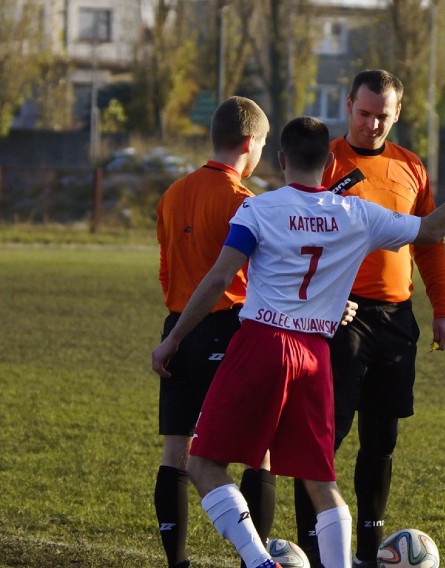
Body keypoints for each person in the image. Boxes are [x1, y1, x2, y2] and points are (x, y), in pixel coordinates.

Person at [151, 116, 445, 568]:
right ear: (328, 165)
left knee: (203, 464)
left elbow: (220, 277)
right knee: (319, 479)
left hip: (263, 342)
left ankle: (260, 561)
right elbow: (432, 230)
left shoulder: (259, 209)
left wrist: (175, 339)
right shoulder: (357, 214)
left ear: (281, 160)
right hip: (317, 353)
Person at [293, 69, 445, 568]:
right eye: (364, 113)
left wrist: (443, 307)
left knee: (381, 441)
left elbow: (428, 243)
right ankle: (316, 551)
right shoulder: (325, 164)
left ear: (398, 113)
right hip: (338, 320)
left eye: (382, 115)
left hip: (396, 321)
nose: (372, 124)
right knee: (327, 440)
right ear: (348, 106)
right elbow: (299, 236)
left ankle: (367, 551)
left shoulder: (411, 166)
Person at [154, 95, 277, 568]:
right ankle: (255, 558)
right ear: (250, 142)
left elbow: (166, 272)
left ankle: (177, 561)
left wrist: (177, 329)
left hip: (178, 328)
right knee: (257, 453)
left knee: (176, 452)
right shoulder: (244, 202)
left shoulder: (172, 194)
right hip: (230, 329)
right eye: (263, 143)